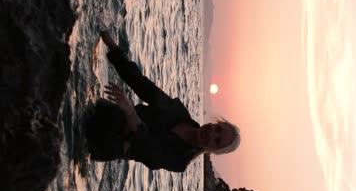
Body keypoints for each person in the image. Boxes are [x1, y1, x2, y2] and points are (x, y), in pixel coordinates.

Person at [84, 29, 240, 172]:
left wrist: (130, 111)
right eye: (217, 129)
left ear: (214, 150)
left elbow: (149, 149)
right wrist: (114, 48)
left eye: (217, 141)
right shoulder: (178, 112)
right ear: (214, 123)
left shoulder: (179, 161)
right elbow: (143, 85)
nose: (212, 133)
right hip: (105, 113)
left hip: (103, 143)